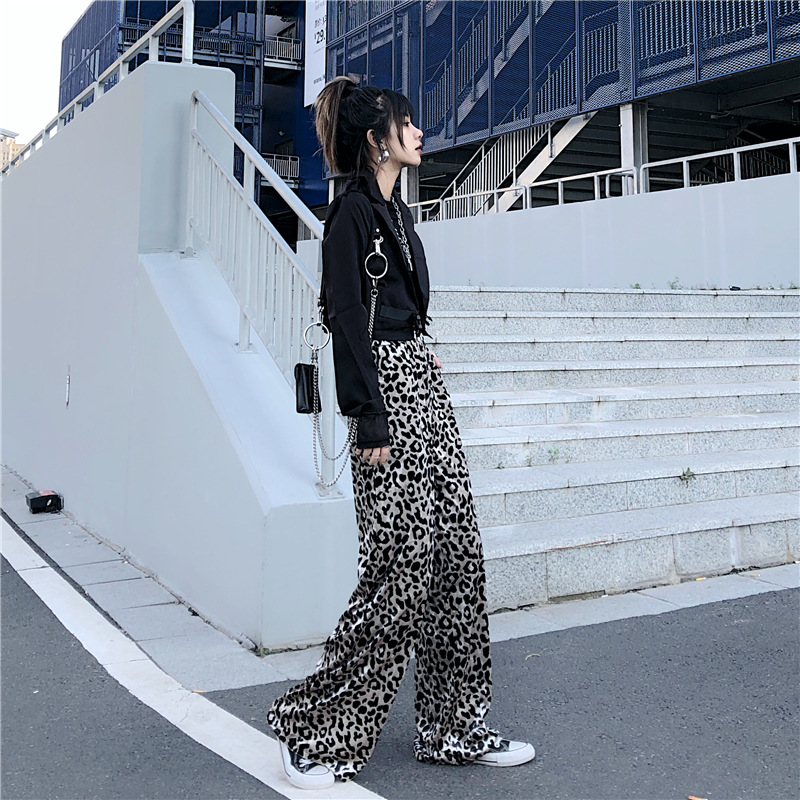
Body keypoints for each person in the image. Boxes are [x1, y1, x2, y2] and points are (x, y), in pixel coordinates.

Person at [267, 76, 536, 790]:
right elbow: (346, 319)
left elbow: (399, 309)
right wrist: (369, 414)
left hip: (423, 388)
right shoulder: (351, 214)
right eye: (407, 123)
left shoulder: (398, 215)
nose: (419, 133)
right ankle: (313, 728)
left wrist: (420, 350)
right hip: (384, 399)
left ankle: (455, 727)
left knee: (455, 555)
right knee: (400, 566)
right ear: (376, 139)